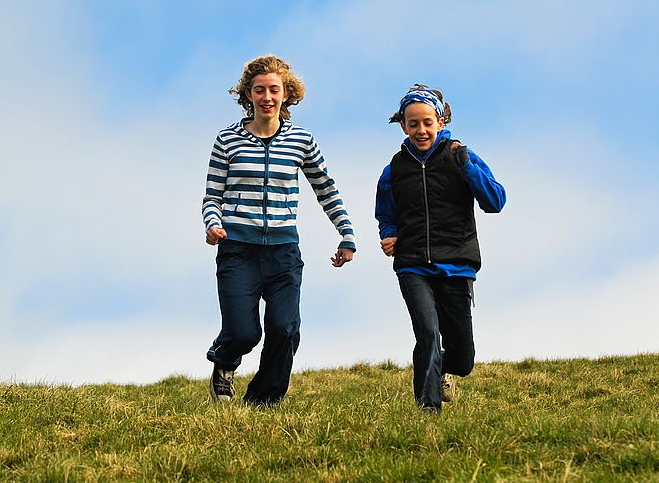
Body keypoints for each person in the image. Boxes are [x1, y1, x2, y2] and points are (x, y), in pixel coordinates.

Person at [201, 54, 356, 407]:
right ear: (248, 95)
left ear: (286, 94)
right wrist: (213, 224)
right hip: (238, 249)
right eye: (259, 90)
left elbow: (326, 189)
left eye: (274, 90)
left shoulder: (301, 140)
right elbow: (212, 195)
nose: (267, 97)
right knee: (244, 333)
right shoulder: (227, 140)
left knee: (285, 329)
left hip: (283, 252)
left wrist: (346, 233)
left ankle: (262, 402)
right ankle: (224, 362)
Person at [375, 84, 506, 412]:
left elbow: (495, 201)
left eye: (427, 123)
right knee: (429, 334)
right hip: (413, 265)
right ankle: (427, 411)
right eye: (413, 124)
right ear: (403, 126)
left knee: (463, 359)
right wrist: (390, 234)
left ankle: (444, 370)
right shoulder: (394, 170)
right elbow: (386, 214)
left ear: (440, 122)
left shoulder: (459, 155)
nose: (421, 130)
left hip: (457, 263)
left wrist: (466, 167)